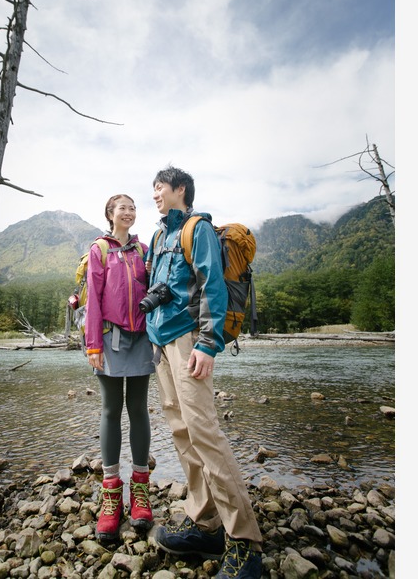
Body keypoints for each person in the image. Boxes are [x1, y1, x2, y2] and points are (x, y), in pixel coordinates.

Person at [144, 166, 263, 579]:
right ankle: (205, 523)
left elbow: (212, 284)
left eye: (160, 186)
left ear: (180, 189)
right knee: (181, 432)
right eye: (153, 187)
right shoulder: (159, 236)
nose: (154, 192)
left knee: (204, 433)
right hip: (161, 345)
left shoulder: (198, 229)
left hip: (189, 341)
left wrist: (209, 343)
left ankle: (245, 541)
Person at [83, 193, 155, 543]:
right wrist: (92, 344)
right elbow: (93, 300)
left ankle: (140, 492)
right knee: (111, 410)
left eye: (132, 207)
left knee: (138, 408)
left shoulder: (143, 251)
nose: (128, 211)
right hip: (109, 339)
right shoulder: (99, 250)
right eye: (121, 208)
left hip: (141, 338)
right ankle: (111, 495)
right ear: (110, 214)